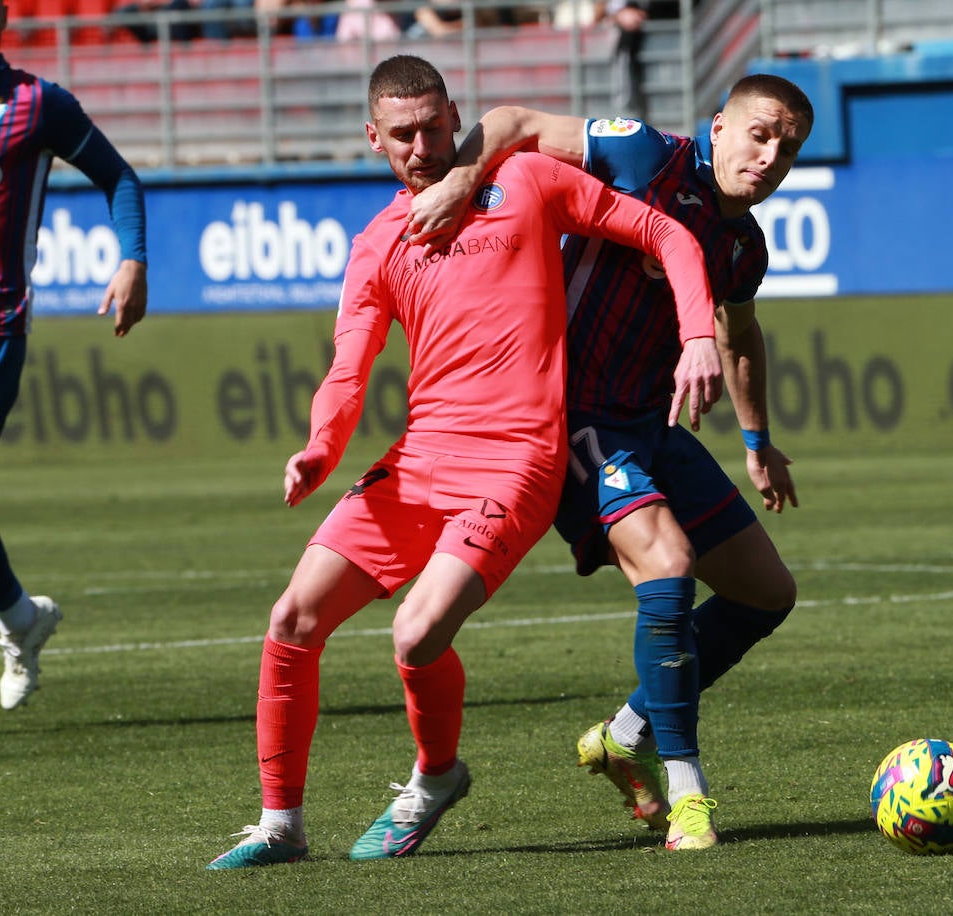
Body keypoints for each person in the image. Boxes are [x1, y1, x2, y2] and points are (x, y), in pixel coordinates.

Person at [207, 53, 723, 870]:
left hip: (518, 462)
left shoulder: (526, 183)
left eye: (433, 126)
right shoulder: (378, 241)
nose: (421, 145)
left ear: (456, 118)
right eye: (402, 134)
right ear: (373, 138)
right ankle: (281, 824)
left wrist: (698, 332)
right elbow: (349, 367)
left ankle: (435, 776)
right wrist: (320, 446)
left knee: (414, 635)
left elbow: (662, 231)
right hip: (418, 462)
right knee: (290, 621)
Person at [403, 73, 813, 850]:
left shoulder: (743, 246)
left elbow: (739, 334)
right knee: (670, 566)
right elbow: (514, 119)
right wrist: (462, 177)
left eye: (787, 147)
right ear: (717, 125)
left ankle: (625, 734)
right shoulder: (645, 156)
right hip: (571, 416)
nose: (769, 156)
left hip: (648, 425)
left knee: (766, 595)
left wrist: (758, 442)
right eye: (759, 134)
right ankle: (689, 794)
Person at [0, 0, 148, 711]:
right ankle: (23, 617)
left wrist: (133, 258)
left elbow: (120, 178)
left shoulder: (35, 104)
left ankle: (22, 618)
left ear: (5, 15)